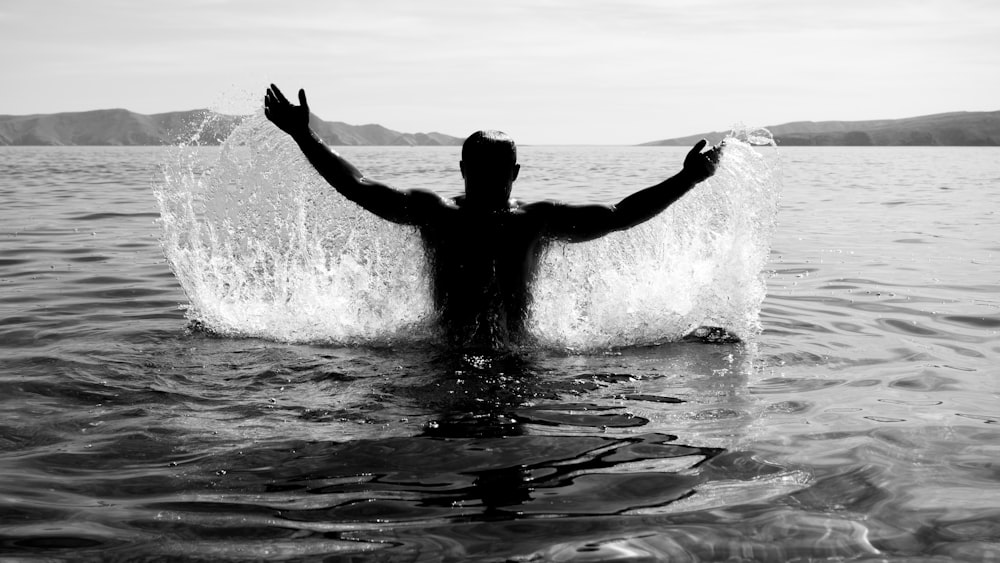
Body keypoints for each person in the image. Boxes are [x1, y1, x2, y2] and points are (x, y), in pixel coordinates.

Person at [264, 84, 722, 349]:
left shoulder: (453, 216)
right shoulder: (512, 220)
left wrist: (305, 136)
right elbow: (621, 214)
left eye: (493, 172)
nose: (487, 180)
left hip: (450, 358)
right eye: (483, 172)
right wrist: (688, 179)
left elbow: (357, 187)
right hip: (504, 359)